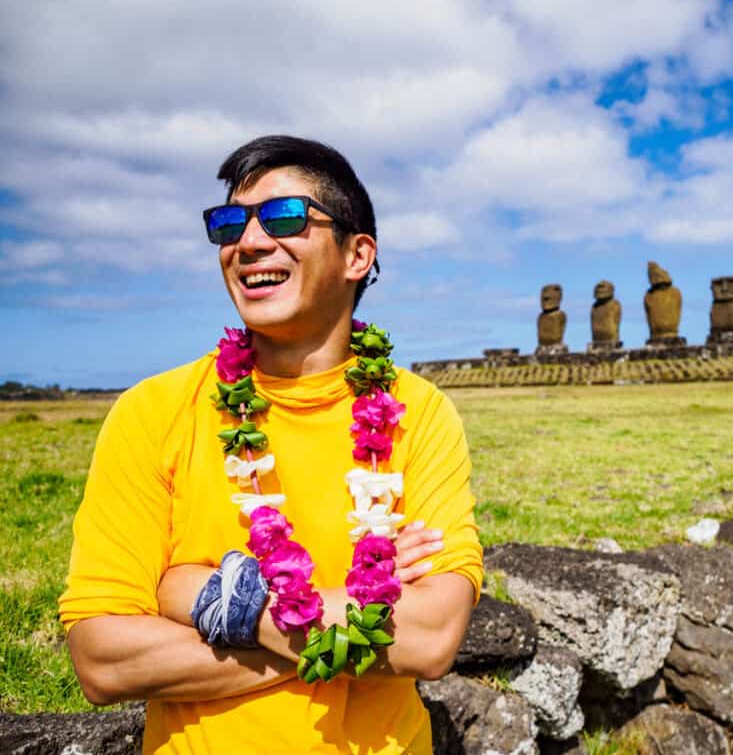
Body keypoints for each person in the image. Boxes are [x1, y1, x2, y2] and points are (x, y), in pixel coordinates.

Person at [58, 135, 482, 754]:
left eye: (284, 217)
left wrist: (216, 600)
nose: (249, 242)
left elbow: (430, 641)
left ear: (357, 254)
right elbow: (103, 661)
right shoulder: (151, 412)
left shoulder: (419, 413)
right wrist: (352, 633)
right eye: (228, 223)